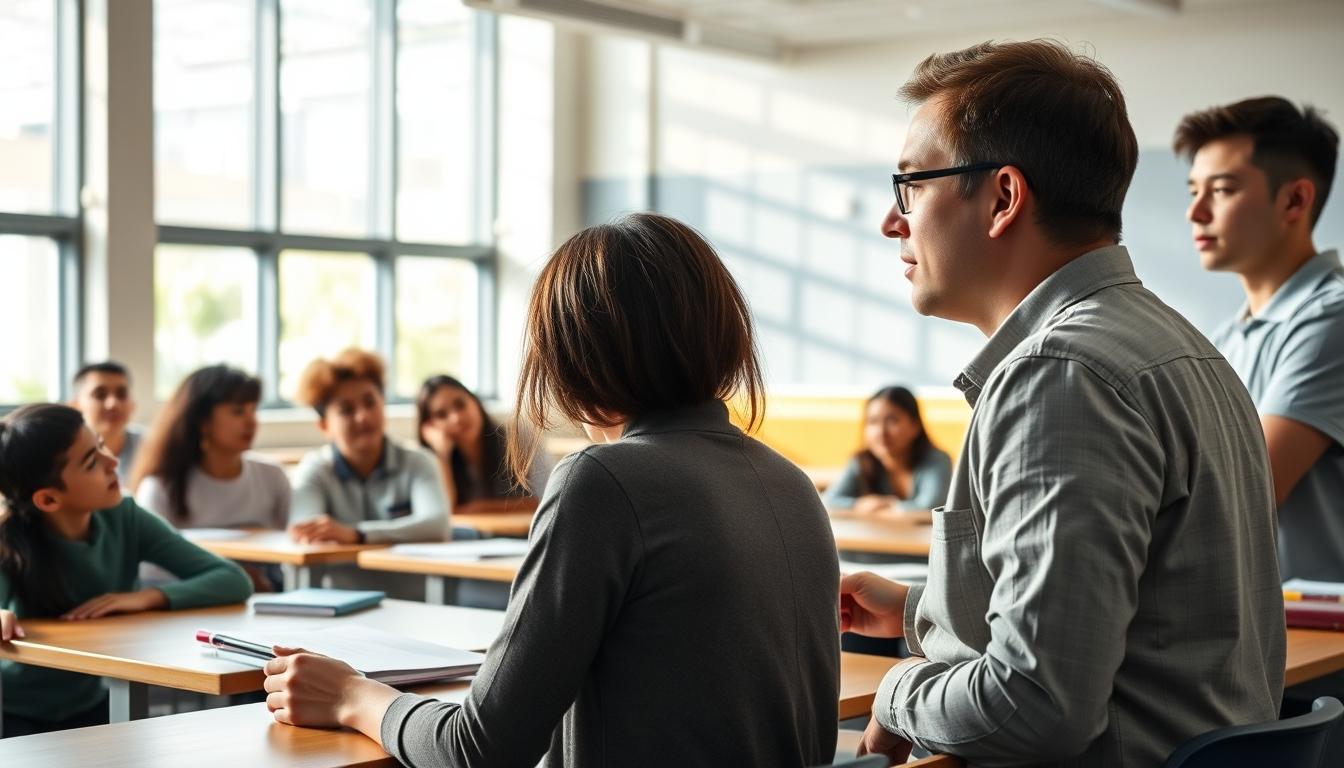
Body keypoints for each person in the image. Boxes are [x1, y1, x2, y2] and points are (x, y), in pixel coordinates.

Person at [262, 213, 841, 767]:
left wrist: (351, 695)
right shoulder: (792, 484)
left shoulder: (603, 480)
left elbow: (478, 752)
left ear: (579, 361)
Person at [844, 40, 1283, 765]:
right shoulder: (1183, 347)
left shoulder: (1062, 376)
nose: (894, 222)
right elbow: (1125, 616)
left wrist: (899, 688)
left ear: (1003, 198)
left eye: (913, 186)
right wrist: (922, 614)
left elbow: (1035, 708)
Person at [0, 404, 252, 737]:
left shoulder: (124, 516)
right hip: (10, 710)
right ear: (48, 500)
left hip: (87, 702)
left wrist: (148, 597)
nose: (112, 462)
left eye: (101, 445)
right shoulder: (7, 540)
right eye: (92, 461)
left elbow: (233, 580)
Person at [1176, 97, 1343, 582]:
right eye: (1193, 191)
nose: (1195, 212)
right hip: (1257, 635)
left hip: (1322, 639)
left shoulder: (1332, 317)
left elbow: (1243, 491)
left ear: (1294, 200)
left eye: (1222, 190)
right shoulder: (1226, 339)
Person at [131, 365, 291, 591]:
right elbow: (151, 572)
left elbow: (293, 547)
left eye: (253, 409)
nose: (251, 422)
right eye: (237, 412)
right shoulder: (160, 487)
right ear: (202, 422)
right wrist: (227, 580)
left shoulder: (272, 476)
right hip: (192, 604)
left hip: (267, 598)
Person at [287, 349, 449, 545]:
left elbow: (437, 526)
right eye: (347, 410)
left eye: (370, 402)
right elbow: (305, 531)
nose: (363, 417)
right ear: (324, 425)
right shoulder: (315, 469)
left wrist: (357, 534)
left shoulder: (418, 462)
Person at [416, 374, 551, 513]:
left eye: (460, 404)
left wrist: (477, 508)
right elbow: (443, 513)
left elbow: (547, 500)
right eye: (441, 415)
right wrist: (442, 456)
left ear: (475, 401)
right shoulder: (433, 460)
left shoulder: (519, 438)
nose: (456, 418)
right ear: (429, 426)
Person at [823, 385, 951, 515]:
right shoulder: (861, 461)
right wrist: (859, 504)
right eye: (873, 421)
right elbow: (828, 501)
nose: (881, 432)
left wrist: (891, 505)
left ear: (915, 426)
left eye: (892, 421)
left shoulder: (937, 461)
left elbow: (931, 508)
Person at [68, 361, 142, 487]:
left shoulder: (153, 448)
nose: (113, 404)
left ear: (133, 404)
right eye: (100, 395)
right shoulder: (64, 456)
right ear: (75, 406)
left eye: (121, 394)